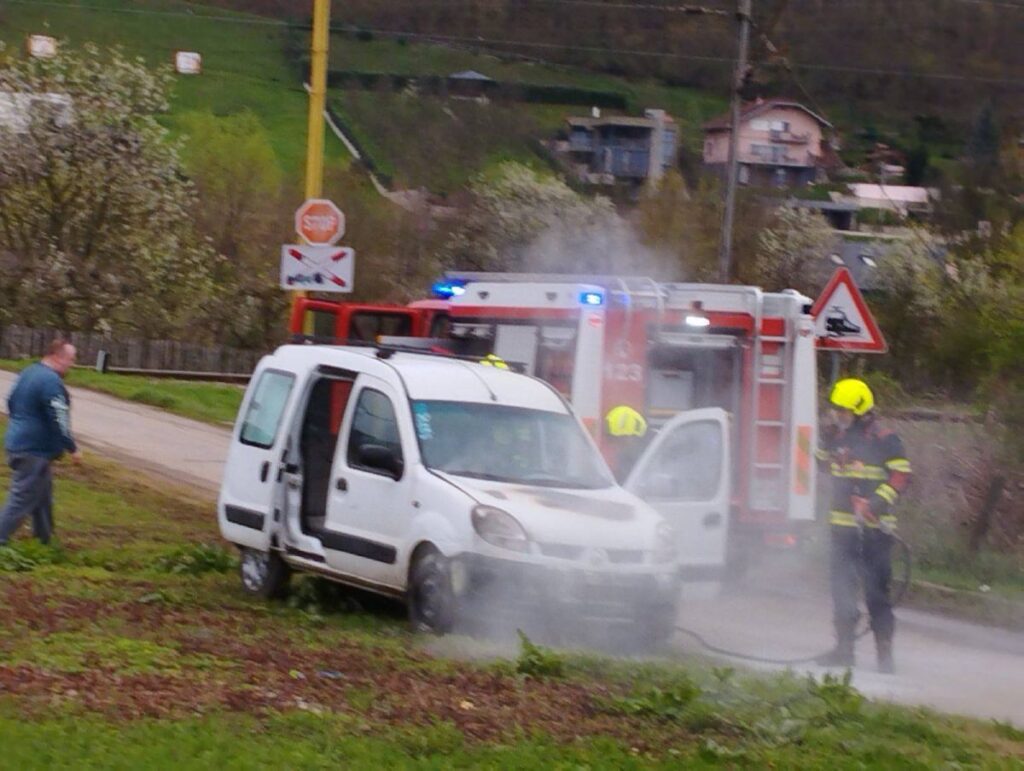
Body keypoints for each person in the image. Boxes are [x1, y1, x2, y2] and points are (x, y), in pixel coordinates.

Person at [815, 378, 912, 674]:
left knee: (876, 594)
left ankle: (885, 657)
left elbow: (901, 477)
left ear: (859, 410)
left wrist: (875, 504)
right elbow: (822, 465)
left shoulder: (886, 439)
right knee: (841, 590)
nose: (839, 416)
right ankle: (844, 650)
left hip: (875, 531)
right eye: (836, 411)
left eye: (843, 412)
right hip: (842, 529)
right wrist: (825, 440)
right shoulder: (838, 436)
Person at [0, 339, 82, 546]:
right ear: (58, 357)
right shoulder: (50, 381)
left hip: (21, 442)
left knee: (43, 497)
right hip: (32, 450)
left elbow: (11, 402)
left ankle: (44, 541)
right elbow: (59, 417)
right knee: (21, 500)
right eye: (71, 360)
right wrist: (71, 447)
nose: (72, 365)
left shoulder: (29, 372)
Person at [604, 404, 649, 482]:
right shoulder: (625, 457)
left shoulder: (651, 456)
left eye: (619, 439)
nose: (616, 445)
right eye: (613, 439)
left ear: (631, 436)